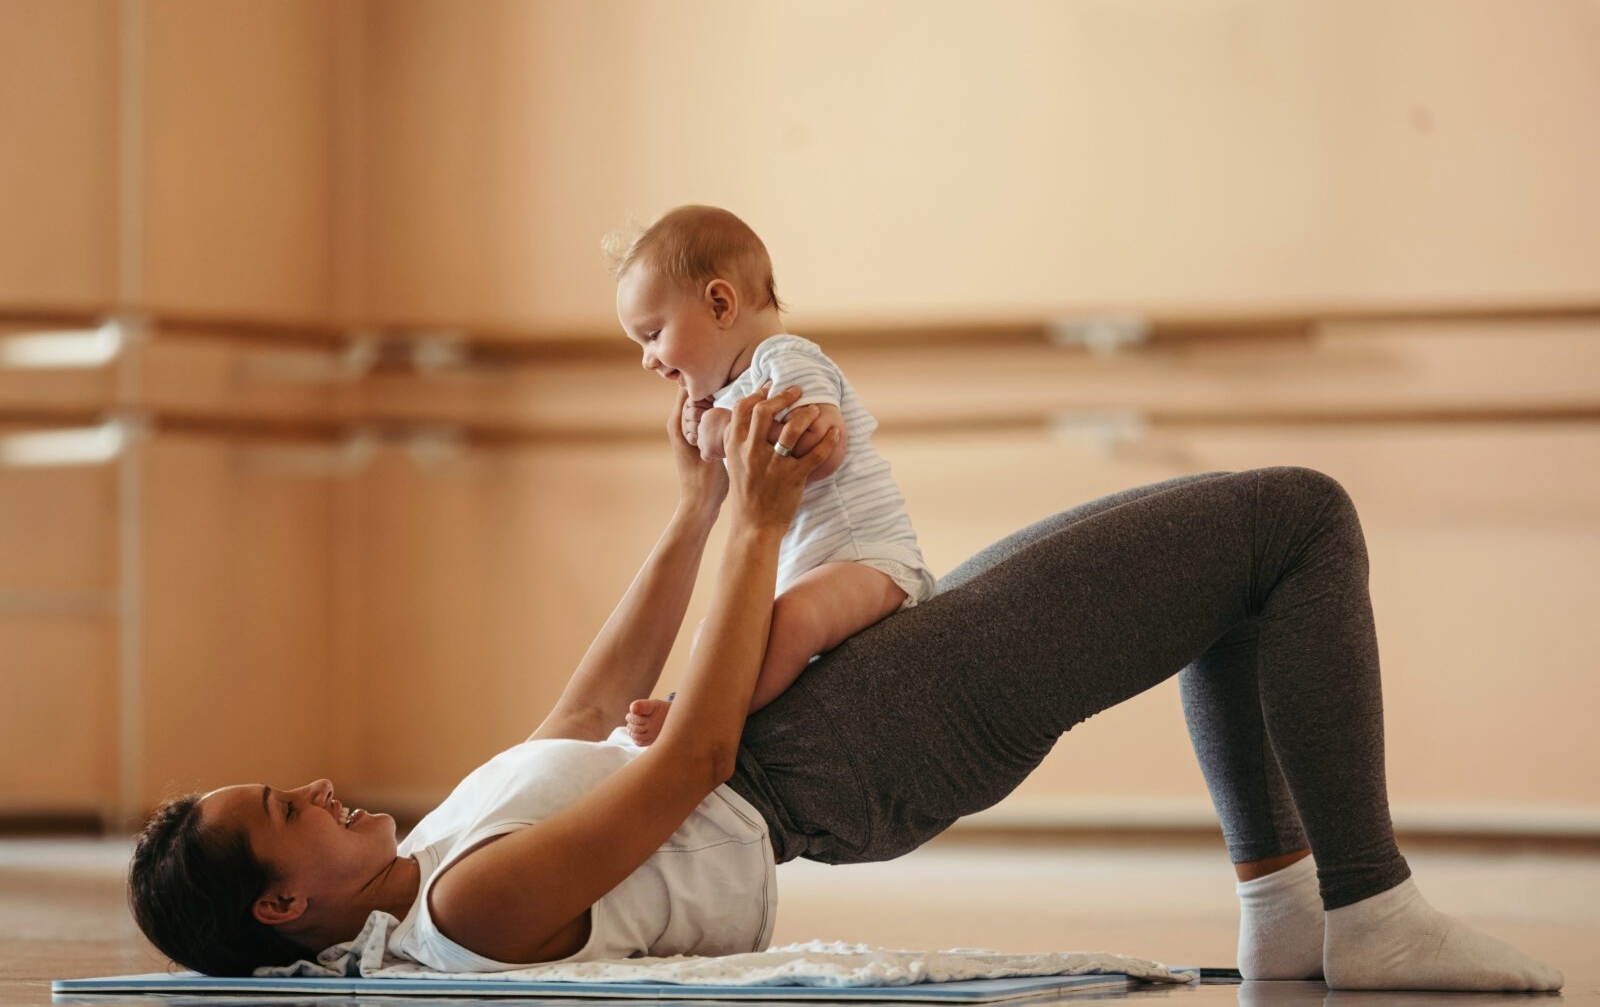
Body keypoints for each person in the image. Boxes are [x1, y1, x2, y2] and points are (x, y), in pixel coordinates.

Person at [127, 388, 1565, 992]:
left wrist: (696, 504)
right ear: (280, 904)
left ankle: (1291, 917)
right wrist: (760, 519)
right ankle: (1363, 905)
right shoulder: (462, 916)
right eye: (282, 807)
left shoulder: (429, 858)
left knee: (1243, 563)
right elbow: (680, 765)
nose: (314, 782)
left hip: (819, 714)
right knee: (1295, 517)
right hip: (844, 753)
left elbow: (579, 713)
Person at [608, 205, 935, 747]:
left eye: (653, 334)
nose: (647, 360)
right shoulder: (736, 389)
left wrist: (718, 429)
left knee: (793, 622)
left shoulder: (785, 361)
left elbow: (820, 448)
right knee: (718, 639)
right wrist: (710, 426)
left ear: (719, 303)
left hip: (869, 561)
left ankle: (698, 717)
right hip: (811, 567)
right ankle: (693, 699)